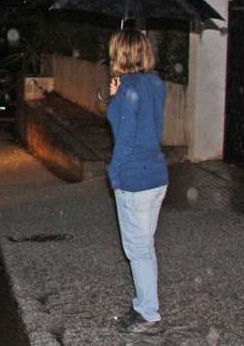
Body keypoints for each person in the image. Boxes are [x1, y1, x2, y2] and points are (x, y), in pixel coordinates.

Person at [106, 28, 169, 334]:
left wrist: (114, 175)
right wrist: (120, 98)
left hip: (135, 178)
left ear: (121, 53)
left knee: (139, 249)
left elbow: (125, 138)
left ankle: (149, 312)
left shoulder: (128, 88)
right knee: (146, 245)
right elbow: (148, 125)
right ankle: (145, 302)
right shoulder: (156, 83)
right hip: (158, 176)